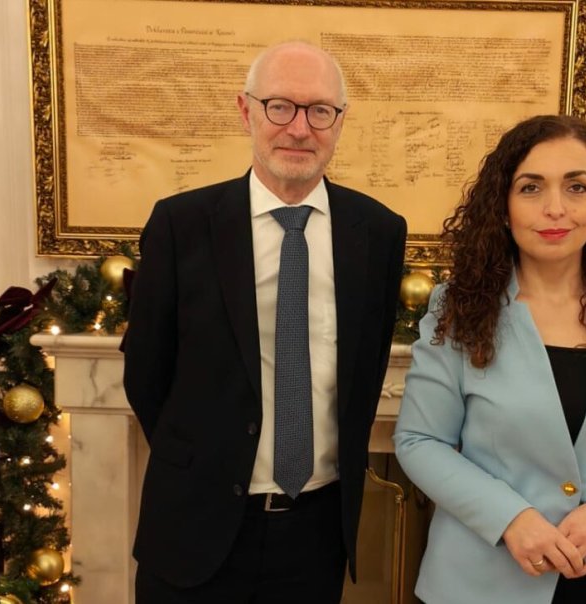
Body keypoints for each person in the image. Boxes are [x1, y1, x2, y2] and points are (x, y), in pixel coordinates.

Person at [123, 41, 407, 603]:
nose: (299, 129)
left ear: (340, 121)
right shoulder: (182, 224)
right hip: (194, 527)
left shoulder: (377, 232)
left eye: (319, 111)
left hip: (316, 535)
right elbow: (146, 373)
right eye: (280, 106)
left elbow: (367, 367)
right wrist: (202, 462)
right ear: (245, 109)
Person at [394, 115, 586, 604]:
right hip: (481, 582)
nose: (556, 208)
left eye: (577, 187)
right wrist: (510, 518)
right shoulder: (458, 307)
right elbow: (420, 441)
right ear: (503, 206)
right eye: (531, 188)